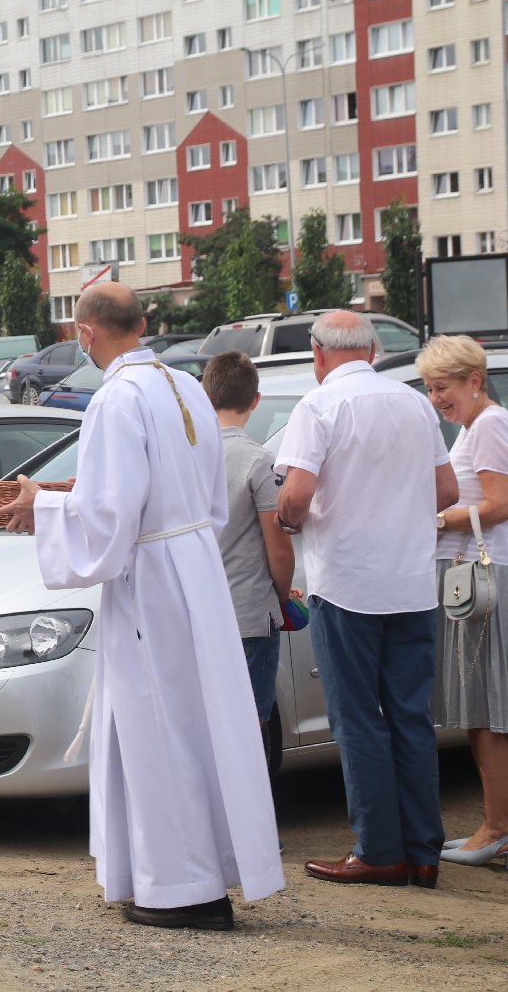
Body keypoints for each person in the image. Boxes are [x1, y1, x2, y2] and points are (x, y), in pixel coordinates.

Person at [0, 282, 283, 931]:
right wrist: (66, 496)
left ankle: (183, 890)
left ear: (85, 333)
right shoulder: (186, 387)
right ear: (143, 324)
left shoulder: (116, 398)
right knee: (196, 726)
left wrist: (43, 506)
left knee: (159, 730)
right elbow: (182, 494)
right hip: (196, 569)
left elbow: (110, 517)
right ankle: (198, 875)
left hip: (152, 581)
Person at [276, 312, 458, 890]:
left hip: (348, 583)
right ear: (374, 350)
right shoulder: (414, 404)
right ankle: (423, 851)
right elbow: (447, 490)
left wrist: (290, 518)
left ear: (318, 353)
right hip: (410, 582)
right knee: (410, 716)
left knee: (356, 718)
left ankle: (379, 850)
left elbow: (295, 498)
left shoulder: (319, 406)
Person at [416, 335, 508, 868]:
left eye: (442, 388)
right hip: (473, 578)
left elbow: (500, 503)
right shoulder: (479, 426)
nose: (436, 399)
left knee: (486, 708)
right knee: (481, 707)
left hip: (481, 582)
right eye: (430, 389)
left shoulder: (489, 425)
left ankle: (496, 828)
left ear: (474, 380)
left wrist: (438, 520)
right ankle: (494, 825)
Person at [202, 352, 296, 730]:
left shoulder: (182, 458)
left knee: (210, 727)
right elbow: (279, 549)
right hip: (249, 616)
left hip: (198, 617)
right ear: (255, 401)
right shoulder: (258, 461)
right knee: (251, 728)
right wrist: (283, 595)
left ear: (206, 395)